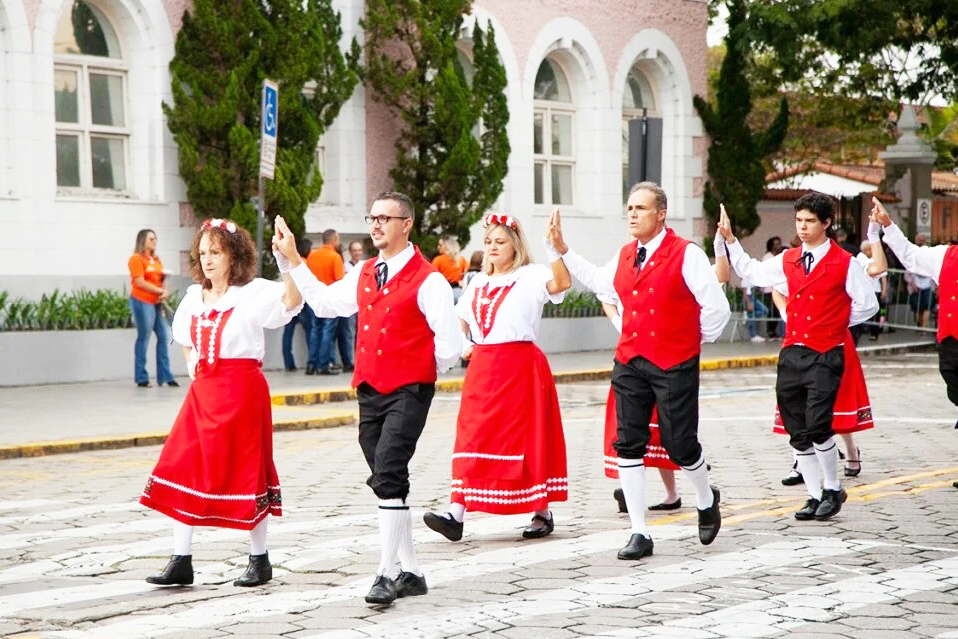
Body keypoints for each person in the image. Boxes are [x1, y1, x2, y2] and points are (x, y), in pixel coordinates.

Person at [274, 191, 461, 606]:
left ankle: (385, 573)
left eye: (384, 218)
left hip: (409, 390)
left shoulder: (428, 279)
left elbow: (450, 345)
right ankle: (412, 572)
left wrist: (417, 368)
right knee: (388, 482)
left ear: (406, 224)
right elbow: (322, 305)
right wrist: (293, 260)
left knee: (389, 472)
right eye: (372, 217)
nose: (375, 225)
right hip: (370, 390)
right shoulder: (363, 271)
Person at [551, 181, 729, 561]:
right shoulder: (626, 253)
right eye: (629, 208)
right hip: (631, 360)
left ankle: (704, 495)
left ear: (661, 214)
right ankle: (639, 531)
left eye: (640, 208)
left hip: (675, 362)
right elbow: (602, 282)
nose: (632, 214)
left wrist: (687, 343)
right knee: (627, 444)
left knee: (679, 443)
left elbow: (717, 310)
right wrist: (564, 250)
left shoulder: (687, 254)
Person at [139, 218, 303, 588]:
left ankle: (259, 560)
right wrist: (190, 361)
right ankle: (181, 559)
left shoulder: (253, 292)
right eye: (203, 253)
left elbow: (291, 302)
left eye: (216, 251)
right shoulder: (194, 297)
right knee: (184, 464)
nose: (208, 259)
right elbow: (183, 335)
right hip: (204, 391)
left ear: (234, 255)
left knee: (247, 469)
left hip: (243, 390)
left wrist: (287, 264)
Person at [720, 192, 878, 521]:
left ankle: (833, 487)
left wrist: (835, 323)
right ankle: (813, 493)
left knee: (819, 424)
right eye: (799, 220)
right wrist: (731, 240)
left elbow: (868, 305)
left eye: (809, 221)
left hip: (826, 353)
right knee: (798, 429)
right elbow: (750, 272)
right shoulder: (788, 259)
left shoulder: (844, 262)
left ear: (826, 224)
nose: (802, 227)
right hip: (793, 352)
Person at [422, 211, 571, 542]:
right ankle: (455, 512)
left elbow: (561, 284)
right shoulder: (479, 282)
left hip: (521, 366)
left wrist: (553, 249)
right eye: (488, 241)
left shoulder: (531, 275)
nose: (491, 246)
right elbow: (459, 317)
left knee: (524, 439)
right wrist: (463, 343)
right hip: (484, 367)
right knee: (472, 435)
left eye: (500, 241)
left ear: (515, 245)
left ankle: (541, 510)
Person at [874, 202, 958, 428]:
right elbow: (910, 255)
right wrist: (888, 225)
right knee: (951, 376)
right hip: (951, 341)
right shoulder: (945, 256)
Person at [128, 229, 177, 388]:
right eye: (151, 238)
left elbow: (164, 278)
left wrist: (165, 291)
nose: (154, 241)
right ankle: (141, 377)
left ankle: (165, 376)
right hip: (142, 301)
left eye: (155, 238)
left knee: (163, 336)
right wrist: (159, 291)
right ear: (142, 240)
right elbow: (140, 282)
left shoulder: (156, 260)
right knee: (144, 337)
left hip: (157, 303)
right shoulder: (136, 259)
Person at [305, 229, 345, 375]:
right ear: (334, 240)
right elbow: (340, 280)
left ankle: (311, 364)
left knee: (315, 330)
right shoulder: (335, 257)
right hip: (329, 299)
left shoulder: (312, 255)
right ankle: (323, 365)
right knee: (327, 332)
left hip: (314, 299)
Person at [281, 238, 314, 371]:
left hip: (289, 299)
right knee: (311, 332)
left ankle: (289, 364)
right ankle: (311, 362)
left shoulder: (288, 262)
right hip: (303, 303)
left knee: (287, 334)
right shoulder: (303, 263)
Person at [850, 239, 888, 344]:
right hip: (862, 290)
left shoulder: (873, 258)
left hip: (875, 289)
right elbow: (873, 271)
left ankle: (874, 332)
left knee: (876, 311)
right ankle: (861, 331)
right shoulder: (860, 258)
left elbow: (883, 274)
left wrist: (884, 290)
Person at [904, 233, 935, 328]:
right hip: (915, 285)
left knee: (927, 306)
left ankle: (924, 327)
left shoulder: (930, 253)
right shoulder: (912, 254)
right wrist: (912, 283)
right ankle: (920, 326)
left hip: (928, 285)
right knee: (917, 308)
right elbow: (907, 271)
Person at [761, 236, 785, 339]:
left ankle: (775, 331)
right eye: (776, 244)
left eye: (779, 243)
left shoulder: (780, 256)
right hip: (769, 289)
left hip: (779, 288)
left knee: (777, 311)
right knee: (771, 311)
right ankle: (770, 331)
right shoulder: (768, 257)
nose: (778, 246)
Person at [432, 235, 468, 302]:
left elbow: (431, 277)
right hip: (458, 292)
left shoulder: (438, 260)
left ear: (447, 246)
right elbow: (467, 272)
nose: (438, 247)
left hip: (443, 292)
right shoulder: (461, 259)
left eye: (440, 245)